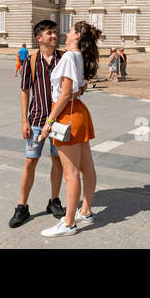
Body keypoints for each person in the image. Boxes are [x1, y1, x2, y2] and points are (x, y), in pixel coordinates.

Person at [38, 20, 102, 237]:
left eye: (71, 30)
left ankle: (69, 223)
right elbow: (79, 88)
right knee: (87, 166)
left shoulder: (68, 56)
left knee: (71, 173)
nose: (66, 33)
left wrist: (49, 122)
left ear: (77, 37)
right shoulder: (80, 56)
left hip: (67, 114)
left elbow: (65, 93)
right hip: (80, 112)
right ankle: (86, 210)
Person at [11, 20, 67, 229]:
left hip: (59, 122)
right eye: (50, 33)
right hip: (35, 121)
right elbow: (25, 91)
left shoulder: (63, 59)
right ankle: (22, 206)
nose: (54, 36)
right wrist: (24, 120)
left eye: (55, 32)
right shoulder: (31, 62)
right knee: (30, 162)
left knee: (57, 161)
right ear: (39, 38)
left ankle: (54, 200)